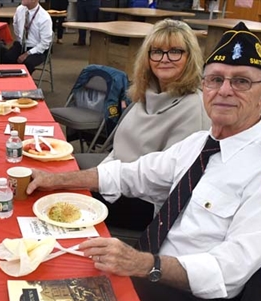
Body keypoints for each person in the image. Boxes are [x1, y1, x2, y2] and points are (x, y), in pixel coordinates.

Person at [26, 22, 261, 301]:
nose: (225, 90)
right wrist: (55, 181)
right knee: (49, 273)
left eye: (241, 81)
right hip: (152, 271)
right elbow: (131, 174)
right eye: (215, 80)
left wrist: (144, 264)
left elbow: (228, 269)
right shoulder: (200, 144)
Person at [75, 19, 211, 230]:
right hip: (116, 185)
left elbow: (166, 183)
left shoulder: (194, 108)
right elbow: (118, 150)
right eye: (156, 51)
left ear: (189, 57)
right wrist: (100, 175)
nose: (164, 59)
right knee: (63, 189)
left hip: (150, 205)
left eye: (175, 51)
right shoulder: (146, 94)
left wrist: (102, 183)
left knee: (66, 201)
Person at [0, 0, 52, 74]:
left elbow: (45, 44)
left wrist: (28, 53)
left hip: (37, 49)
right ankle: (8, 82)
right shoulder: (19, 10)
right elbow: (16, 27)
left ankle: (22, 84)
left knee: (27, 63)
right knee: (7, 57)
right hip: (21, 44)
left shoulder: (44, 18)